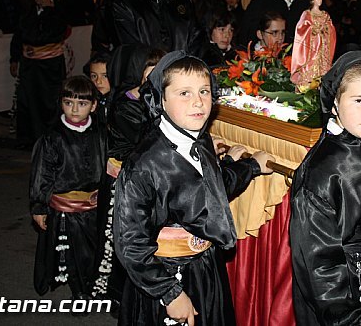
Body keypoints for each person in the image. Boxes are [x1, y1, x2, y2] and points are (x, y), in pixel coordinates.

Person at [113, 51, 274, 325]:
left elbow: (212, 189)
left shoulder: (200, 141)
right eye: (184, 93)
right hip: (165, 275)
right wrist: (170, 293)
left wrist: (251, 167)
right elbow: (130, 243)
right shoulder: (144, 164)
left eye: (204, 91)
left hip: (204, 268)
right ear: (161, 99)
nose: (198, 101)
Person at [290, 51, 361, 326]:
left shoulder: (358, 141)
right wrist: (353, 319)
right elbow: (318, 262)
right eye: (359, 100)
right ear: (335, 103)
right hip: (346, 289)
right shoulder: (323, 172)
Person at [92, 46, 165, 306]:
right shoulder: (126, 104)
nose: (155, 81)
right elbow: (149, 141)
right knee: (121, 241)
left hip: (143, 180)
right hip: (123, 182)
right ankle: (117, 295)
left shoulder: (155, 99)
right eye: (149, 76)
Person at [29, 76, 106, 299]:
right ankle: (80, 293)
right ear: (60, 103)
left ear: (93, 106)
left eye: (82, 103)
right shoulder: (52, 137)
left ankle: (94, 285)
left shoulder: (101, 134)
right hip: (65, 210)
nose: (74, 109)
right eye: (68, 102)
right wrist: (39, 206)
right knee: (73, 253)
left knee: (94, 251)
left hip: (94, 207)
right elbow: (42, 173)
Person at [10, 0, 68, 146]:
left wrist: (33, 43)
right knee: (27, 100)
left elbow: (47, 36)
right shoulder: (27, 13)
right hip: (30, 67)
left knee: (48, 101)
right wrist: (14, 58)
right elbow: (18, 37)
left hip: (49, 67)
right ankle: (29, 138)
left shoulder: (57, 14)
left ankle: (50, 136)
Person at [290, 0, 337, 88]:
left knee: (323, 68)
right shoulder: (307, 14)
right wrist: (313, 30)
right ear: (312, 0)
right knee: (310, 67)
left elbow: (331, 28)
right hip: (311, 49)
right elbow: (301, 29)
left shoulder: (325, 15)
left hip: (323, 48)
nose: (320, 0)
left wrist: (325, 29)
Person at [83, 51, 112, 124]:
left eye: (105, 76)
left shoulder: (122, 103)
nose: (98, 81)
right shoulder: (87, 99)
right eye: (94, 76)